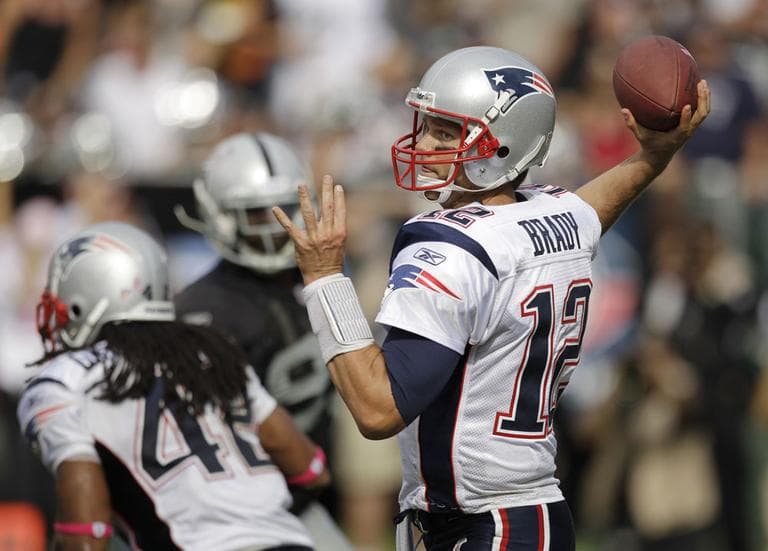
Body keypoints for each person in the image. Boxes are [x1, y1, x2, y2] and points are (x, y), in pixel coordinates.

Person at [272, 46, 711, 550]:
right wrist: (655, 156)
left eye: (445, 131)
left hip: (485, 524)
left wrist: (326, 278)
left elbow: (377, 409)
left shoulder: (449, 246)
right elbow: (592, 209)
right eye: (426, 124)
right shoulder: (559, 216)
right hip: (530, 511)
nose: (424, 142)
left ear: (504, 143)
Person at [17, 221, 329, 551]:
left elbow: (86, 535)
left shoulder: (65, 380)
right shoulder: (212, 351)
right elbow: (311, 469)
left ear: (87, 296)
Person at [173, 132, 351, 549]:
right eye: (256, 215)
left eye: (283, 210)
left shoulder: (316, 278)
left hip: (305, 498)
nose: (274, 228)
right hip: (233, 513)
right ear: (219, 215)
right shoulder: (203, 308)